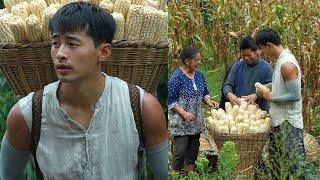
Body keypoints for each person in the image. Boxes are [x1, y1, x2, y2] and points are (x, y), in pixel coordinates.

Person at [0, 2, 168, 180]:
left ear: (103, 52)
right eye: (55, 43)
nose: (60, 54)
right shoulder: (26, 114)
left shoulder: (142, 108)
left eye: (72, 44)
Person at [255, 28, 315, 178]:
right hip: (279, 121)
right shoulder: (280, 60)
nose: (262, 53)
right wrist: (269, 87)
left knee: (295, 166)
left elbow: (295, 95)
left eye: (262, 49)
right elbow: (283, 87)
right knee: (278, 164)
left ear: (269, 45)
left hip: (288, 123)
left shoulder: (287, 64)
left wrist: (272, 98)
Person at [168, 47, 219, 172]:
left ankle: (190, 175)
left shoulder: (199, 75)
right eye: (196, 60)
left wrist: (209, 101)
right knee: (180, 151)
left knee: (193, 152)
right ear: (187, 61)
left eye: (199, 59)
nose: (199, 62)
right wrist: (184, 113)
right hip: (181, 122)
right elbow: (171, 101)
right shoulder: (176, 77)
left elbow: (205, 93)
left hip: (196, 121)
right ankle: (176, 174)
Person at [223, 36, 273, 111]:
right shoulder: (237, 66)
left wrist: (256, 95)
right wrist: (229, 95)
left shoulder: (266, 68)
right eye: (243, 55)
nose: (246, 58)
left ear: (256, 51)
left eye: (249, 55)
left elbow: (271, 88)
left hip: (260, 111)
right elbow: (227, 85)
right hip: (240, 109)